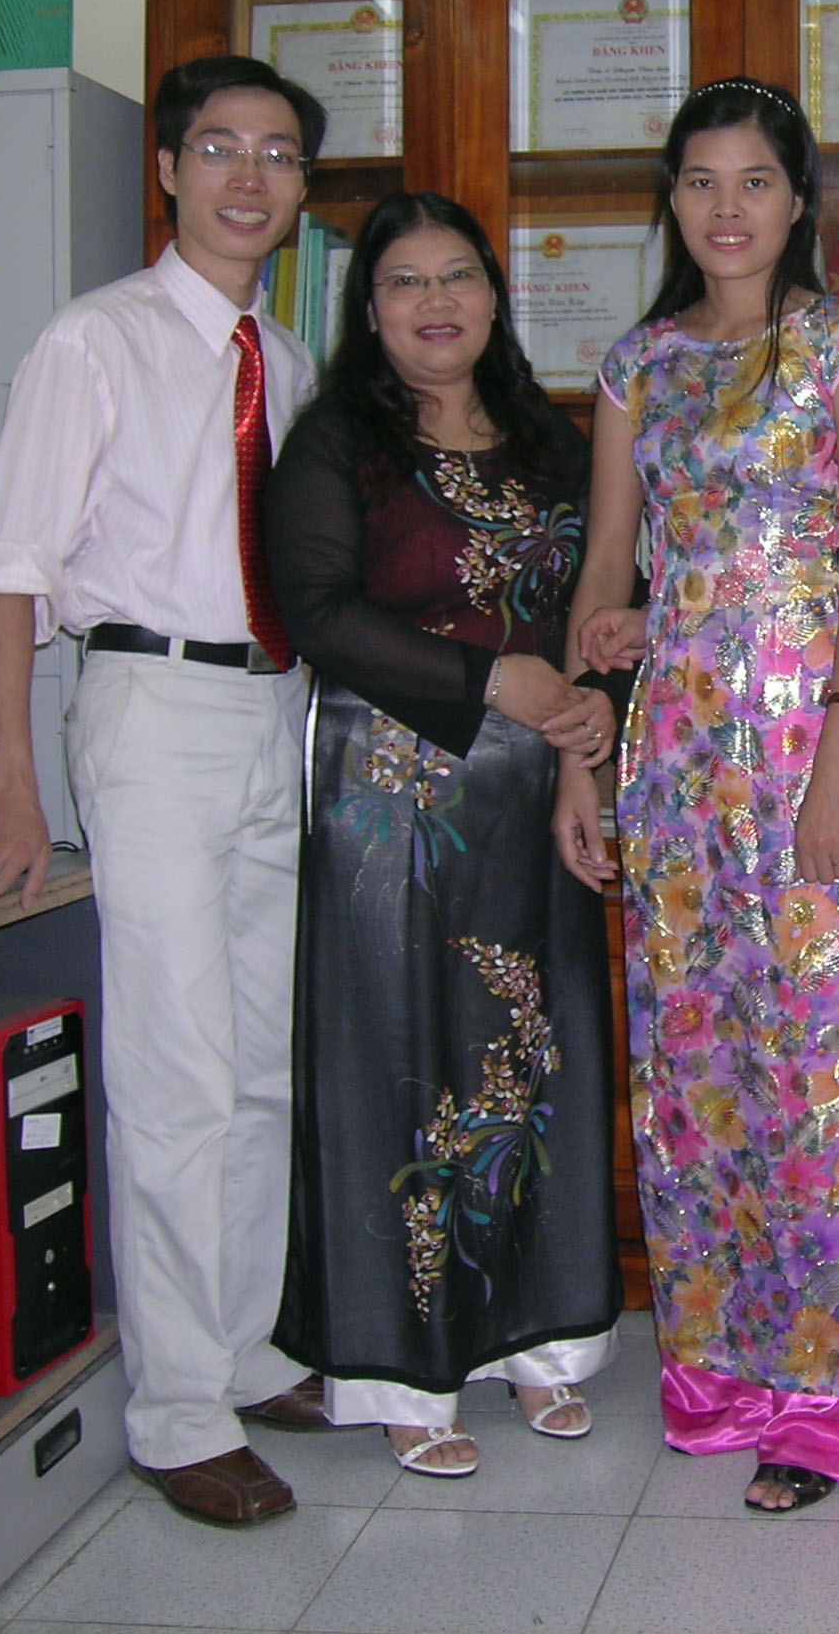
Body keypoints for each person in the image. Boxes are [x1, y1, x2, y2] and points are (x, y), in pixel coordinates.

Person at [0, 56, 342, 1527]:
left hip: (274, 705)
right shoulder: (93, 339)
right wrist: (9, 786)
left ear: (302, 192)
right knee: (176, 1067)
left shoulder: (287, 360)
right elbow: (9, 569)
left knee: (260, 1060)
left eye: (279, 155)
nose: (250, 177)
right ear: (168, 168)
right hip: (150, 704)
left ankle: (243, 1350)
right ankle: (176, 1414)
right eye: (220, 148)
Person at [565, 78, 839, 1515]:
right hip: (677, 761)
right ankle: (717, 1375)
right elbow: (608, 570)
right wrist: (582, 757)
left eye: (755, 181)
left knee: (818, 1069)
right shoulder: (636, 366)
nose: (727, 207)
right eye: (701, 181)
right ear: (673, 201)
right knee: (696, 1069)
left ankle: (828, 1398)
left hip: (812, 748)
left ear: (797, 199)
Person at [262, 191, 622, 1479]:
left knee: (531, 1052)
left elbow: (603, 598)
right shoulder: (338, 440)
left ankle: (540, 1343)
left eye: (457, 275)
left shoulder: (547, 437)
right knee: (400, 1059)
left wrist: (596, 708)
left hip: (533, 795)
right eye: (405, 282)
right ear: (370, 310)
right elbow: (315, 609)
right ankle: (404, 1370)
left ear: (492, 293)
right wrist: (486, 679)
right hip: (390, 796)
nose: (435, 302)